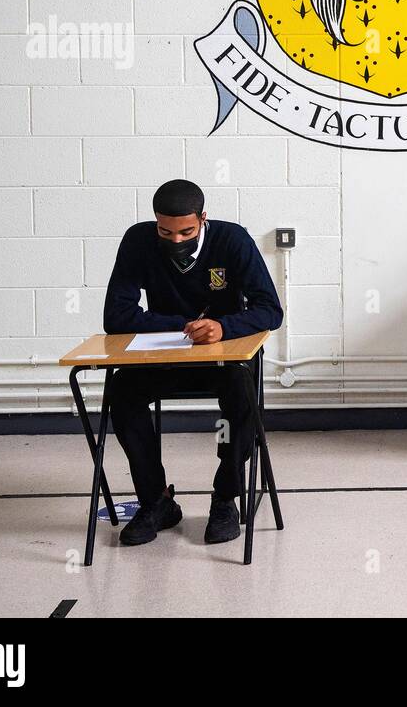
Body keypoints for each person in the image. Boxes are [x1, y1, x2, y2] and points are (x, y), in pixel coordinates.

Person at [102, 179, 284, 547]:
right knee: (122, 390)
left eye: (186, 231)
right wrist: (182, 326)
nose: (176, 240)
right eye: (165, 231)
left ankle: (225, 497)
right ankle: (156, 501)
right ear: (155, 223)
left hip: (224, 361)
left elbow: (270, 310)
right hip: (166, 357)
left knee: (242, 391)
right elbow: (115, 316)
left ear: (203, 218)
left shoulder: (232, 240)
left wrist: (223, 327)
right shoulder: (138, 241)